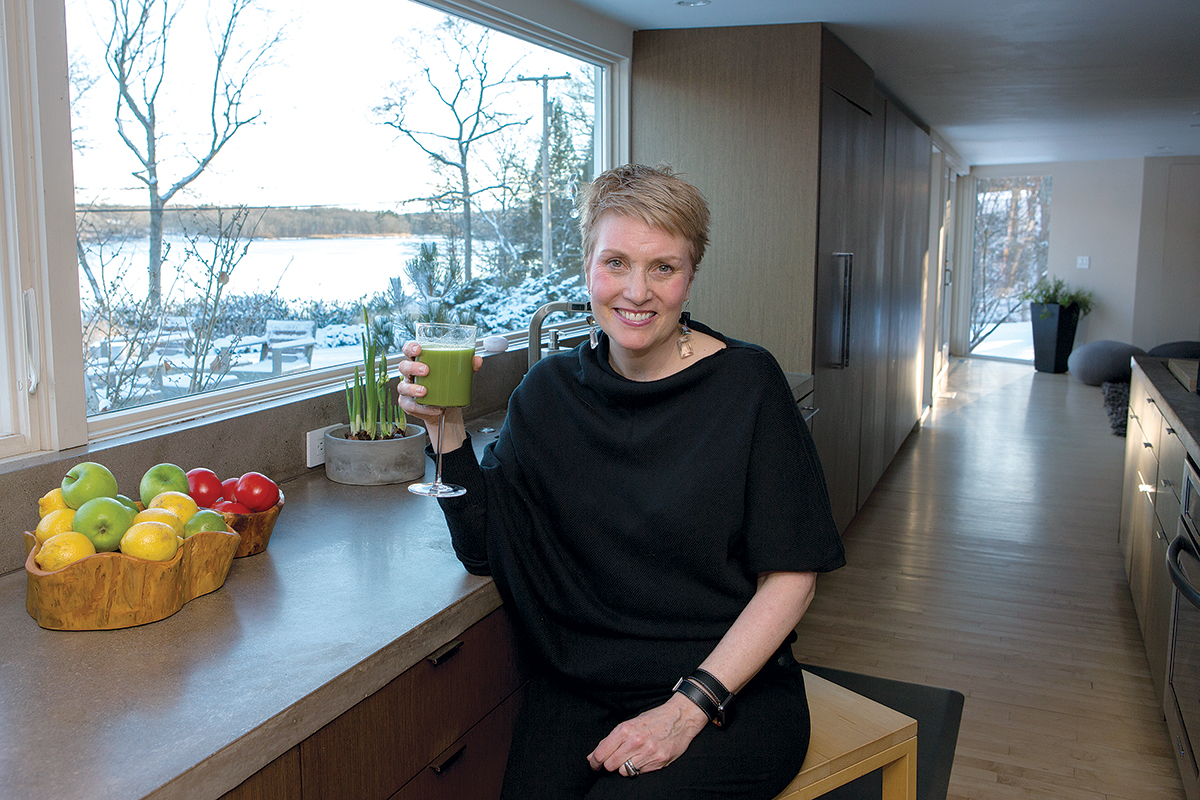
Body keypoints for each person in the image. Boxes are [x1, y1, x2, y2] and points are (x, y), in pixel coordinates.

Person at [397, 163, 844, 800]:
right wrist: (445, 425)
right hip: (579, 688)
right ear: (587, 268)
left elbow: (793, 576)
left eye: (663, 267)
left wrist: (688, 708)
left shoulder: (748, 386)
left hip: (727, 687)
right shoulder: (546, 396)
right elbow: (485, 545)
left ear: (691, 278)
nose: (637, 291)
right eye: (616, 263)